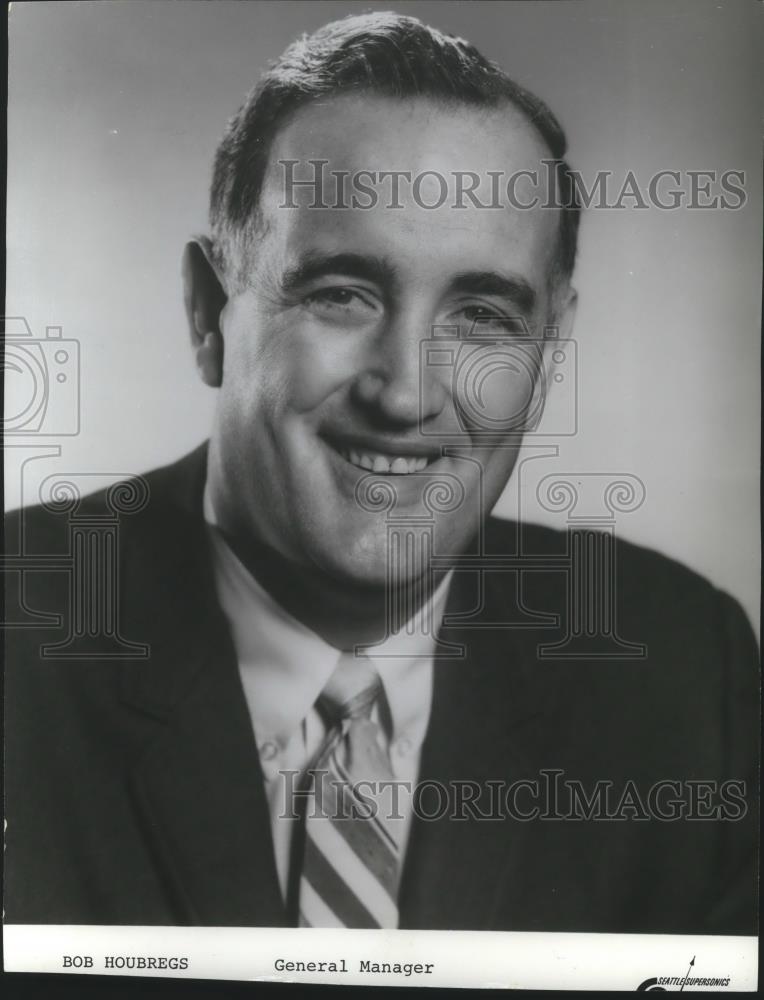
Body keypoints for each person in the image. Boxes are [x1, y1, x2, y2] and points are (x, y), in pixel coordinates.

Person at [4, 12, 758, 933]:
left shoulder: (684, 673)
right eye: (342, 294)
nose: (406, 395)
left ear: (550, 352)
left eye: (482, 315)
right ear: (209, 314)